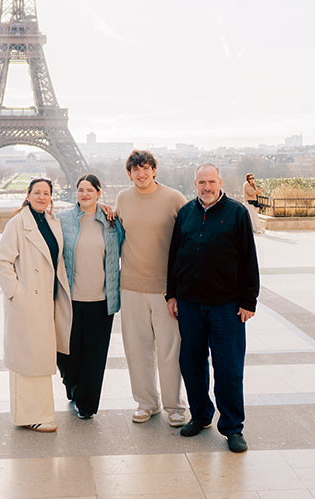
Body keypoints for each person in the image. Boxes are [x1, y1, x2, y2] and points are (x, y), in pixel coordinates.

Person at [166, 163, 260, 453]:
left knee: (229, 369)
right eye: (201, 182)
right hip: (190, 305)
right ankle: (201, 415)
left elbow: (249, 258)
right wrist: (172, 294)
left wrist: (249, 301)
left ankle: (232, 427)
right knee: (192, 364)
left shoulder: (237, 213)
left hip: (227, 307)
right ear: (194, 184)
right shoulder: (185, 213)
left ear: (220, 182)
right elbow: (174, 256)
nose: (206, 187)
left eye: (211, 182)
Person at [114, 150, 188, 427]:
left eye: (145, 168)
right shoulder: (122, 199)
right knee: (137, 349)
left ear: (154, 170)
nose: (141, 174)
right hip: (131, 286)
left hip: (165, 289)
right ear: (129, 173)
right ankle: (146, 403)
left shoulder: (174, 198)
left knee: (170, 350)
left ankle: (174, 406)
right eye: (135, 169)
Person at [0, 177, 72, 432]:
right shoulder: (17, 223)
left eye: (46, 193)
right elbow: (1, 260)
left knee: (39, 359)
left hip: (47, 301)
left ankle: (38, 413)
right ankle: (32, 415)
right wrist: (17, 293)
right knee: (28, 360)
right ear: (27, 195)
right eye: (37, 192)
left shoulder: (51, 221)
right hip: (28, 302)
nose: (41, 197)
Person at [56, 174, 124, 420]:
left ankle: (87, 404)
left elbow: (127, 246)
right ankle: (72, 384)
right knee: (67, 354)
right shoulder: (62, 219)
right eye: (80, 190)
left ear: (98, 193)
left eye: (90, 190)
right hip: (70, 299)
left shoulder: (111, 222)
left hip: (102, 300)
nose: (85, 194)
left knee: (95, 356)